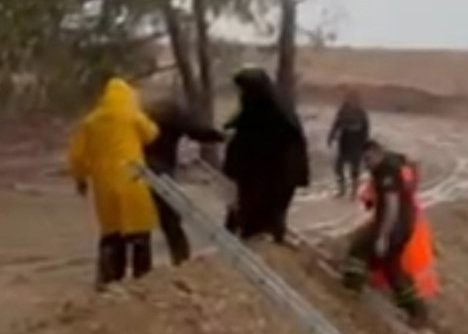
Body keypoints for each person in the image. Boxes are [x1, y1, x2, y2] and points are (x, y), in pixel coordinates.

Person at [68, 77, 160, 287]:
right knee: (139, 231)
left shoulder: (91, 121)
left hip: (105, 185)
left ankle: (109, 281)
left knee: (111, 233)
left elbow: (77, 156)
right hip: (133, 180)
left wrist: (80, 179)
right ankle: (143, 281)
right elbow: (151, 135)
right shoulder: (132, 116)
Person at [342, 140, 434, 327]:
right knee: (392, 268)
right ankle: (417, 310)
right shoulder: (395, 161)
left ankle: (352, 287)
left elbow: (391, 204)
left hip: (394, 225)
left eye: (368, 159)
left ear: (378, 153)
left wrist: (383, 236)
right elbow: (412, 166)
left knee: (359, 248)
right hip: (405, 222)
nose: (366, 165)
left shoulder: (386, 170)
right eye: (364, 161)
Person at [221, 68, 310, 244]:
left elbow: (259, 140)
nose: (241, 93)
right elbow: (243, 122)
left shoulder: (272, 112)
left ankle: (266, 254)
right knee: (253, 213)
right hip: (264, 171)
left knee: (266, 214)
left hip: (278, 172)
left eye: (243, 89)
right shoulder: (263, 104)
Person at [142, 96, 226, 265]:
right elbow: (198, 131)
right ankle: (180, 260)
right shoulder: (173, 114)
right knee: (170, 219)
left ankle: (136, 271)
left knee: (136, 224)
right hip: (160, 171)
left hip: (133, 170)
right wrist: (221, 136)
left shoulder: (140, 113)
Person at [327, 90, 371, 197]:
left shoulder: (361, 112)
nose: (349, 100)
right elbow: (336, 124)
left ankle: (354, 192)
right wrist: (331, 137)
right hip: (345, 141)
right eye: (348, 98)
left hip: (356, 142)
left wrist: (364, 144)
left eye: (352, 98)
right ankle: (342, 189)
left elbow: (365, 129)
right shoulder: (343, 110)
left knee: (354, 169)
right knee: (338, 167)